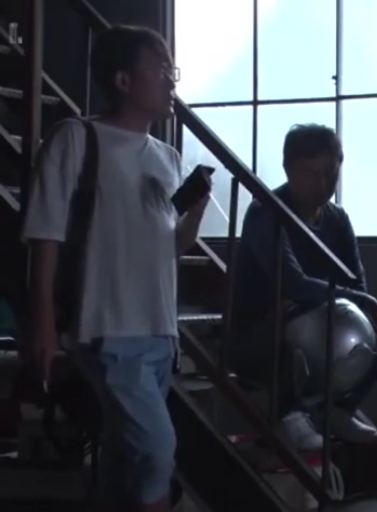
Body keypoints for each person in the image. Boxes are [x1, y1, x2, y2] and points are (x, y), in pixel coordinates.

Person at [23, 26, 208, 512]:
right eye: (160, 69)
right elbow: (45, 235)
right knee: (156, 450)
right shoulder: (75, 139)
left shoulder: (167, 157)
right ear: (124, 80)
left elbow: (171, 248)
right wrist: (43, 324)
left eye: (172, 69)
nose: (171, 80)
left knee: (125, 461)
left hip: (159, 332)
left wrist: (195, 213)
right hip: (105, 327)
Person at [231, 123, 377, 452]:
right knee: (289, 317)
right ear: (288, 169)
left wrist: (361, 303)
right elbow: (292, 283)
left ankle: (339, 408)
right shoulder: (265, 212)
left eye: (331, 172)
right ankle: (289, 414)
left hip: (321, 322)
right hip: (259, 333)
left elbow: (357, 282)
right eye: (311, 173)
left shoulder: (337, 218)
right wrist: (356, 300)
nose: (323, 184)